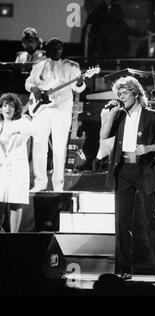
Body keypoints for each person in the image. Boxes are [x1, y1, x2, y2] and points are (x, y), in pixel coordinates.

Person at [100, 76, 155, 281]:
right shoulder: (119, 115)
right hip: (123, 170)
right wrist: (111, 113)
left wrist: (148, 147)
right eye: (118, 95)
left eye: (124, 93)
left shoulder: (153, 116)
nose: (121, 98)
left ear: (136, 93)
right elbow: (104, 135)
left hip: (145, 170)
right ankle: (124, 269)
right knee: (122, 222)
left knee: (151, 219)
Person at [25, 38, 86, 192]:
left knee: (59, 148)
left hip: (61, 111)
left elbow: (79, 88)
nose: (57, 50)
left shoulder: (72, 66)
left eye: (59, 48)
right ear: (47, 49)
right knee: (39, 146)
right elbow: (28, 82)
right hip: (41, 110)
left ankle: (58, 184)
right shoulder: (39, 65)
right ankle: (40, 183)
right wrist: (35, 90)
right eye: (53, 47)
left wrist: (79, 83)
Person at [0, 93, 34, 233]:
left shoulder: (23, 122)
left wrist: (17, 128)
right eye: (5, 105)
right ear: (0, 109)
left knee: (15, 202)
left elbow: (34, 130)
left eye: (11, 106)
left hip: (17, 167)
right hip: (2, 167)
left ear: (16, 109)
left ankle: (13, 238)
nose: (8, 108)